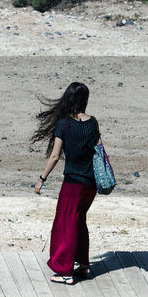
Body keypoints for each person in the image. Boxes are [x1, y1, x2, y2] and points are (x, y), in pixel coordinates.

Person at [31, 81, 102, 284]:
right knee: (79, 220)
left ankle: (65, 271)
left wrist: (41, 179)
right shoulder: (92, 122)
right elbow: (98, 148)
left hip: (73, 183)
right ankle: (83, 264)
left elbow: (54, 156)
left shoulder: (64, 124)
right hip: (91, 183)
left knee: (66, 223)